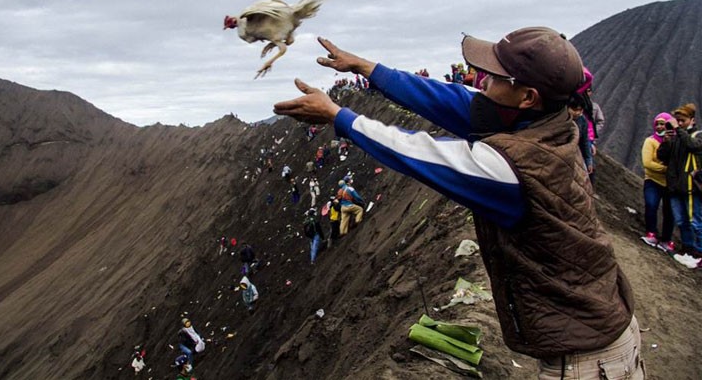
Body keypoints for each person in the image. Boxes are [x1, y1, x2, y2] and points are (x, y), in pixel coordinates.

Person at [274, 30, 642, 379]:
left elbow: (420, 154)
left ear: (527, 97)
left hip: (588, 359)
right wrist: (367, 69)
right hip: (596, 329)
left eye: (496, 77)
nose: (481, 82)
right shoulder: (545, 121)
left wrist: (340, 117)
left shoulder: (513, 167)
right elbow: (449, 99)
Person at [657, 103, 702, 263]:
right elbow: (662, 156)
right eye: (678, 121)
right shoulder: (676, 137)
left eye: (683, 120)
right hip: (675, 186)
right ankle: (687, 250)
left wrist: (679, 131)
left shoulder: (697, 135)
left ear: (692, 120)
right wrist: (667, 140)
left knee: (696, 222)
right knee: (682, 220)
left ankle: (699, 253)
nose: (679, 123)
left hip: (691, 187)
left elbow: (693, 146)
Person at [640, 112, 675, 253]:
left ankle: (666, 239)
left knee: (669, 212)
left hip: (669, 183)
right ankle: (651, 233)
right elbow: (648, 163)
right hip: (653, 180)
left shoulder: (674, 143)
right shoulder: (650, 141)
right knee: (651, 205)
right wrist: (667, 170)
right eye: (658, 124)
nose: (660, 126)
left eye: (663, 124)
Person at [567, 94, 593, 176]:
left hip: (574, 153)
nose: (577, 113)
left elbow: (584, 141)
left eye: (580, 110)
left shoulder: (582, 121)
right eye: (574, 109)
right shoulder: (560, 119)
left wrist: (588, 160)